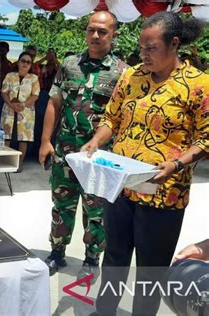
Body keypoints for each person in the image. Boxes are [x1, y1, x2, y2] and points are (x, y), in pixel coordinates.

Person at [81, 12, 208, 315]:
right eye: (141, 48)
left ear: (174, 44)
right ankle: (105, 310)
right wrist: (96, 141)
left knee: (150, 269)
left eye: (151, 48)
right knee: (114, 256)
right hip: (122, 186)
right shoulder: (132, 75)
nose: (144, 55)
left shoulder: (199, 84)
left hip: (164, 193)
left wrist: (176, 166)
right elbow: (112, 117)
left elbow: (205, 139)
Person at [38, 11, 127, 281]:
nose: (95, 36)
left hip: (99, 158)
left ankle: (91, 258)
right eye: (91, 30)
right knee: (61, 205)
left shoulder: (123, 72)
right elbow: (55, 103)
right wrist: (45, 141)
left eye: (102, 31)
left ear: (114, 35)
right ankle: (56, 252)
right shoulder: (69, 64)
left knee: (96, 211)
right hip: (65, 152)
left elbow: (122, 116)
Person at [1, 51, 40, 172]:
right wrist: (11, 105)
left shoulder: (34, 78)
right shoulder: (10, 76)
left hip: (26, 111)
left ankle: (19, 163)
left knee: (23, 138)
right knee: (7, 136)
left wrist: (23, 104)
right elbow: (4, 92)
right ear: (18, 62)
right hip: (9, 109)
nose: (25, 64)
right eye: (23, 61)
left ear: (31, 65)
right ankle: (5, 162)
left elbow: (35, 95)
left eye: (28, 62)